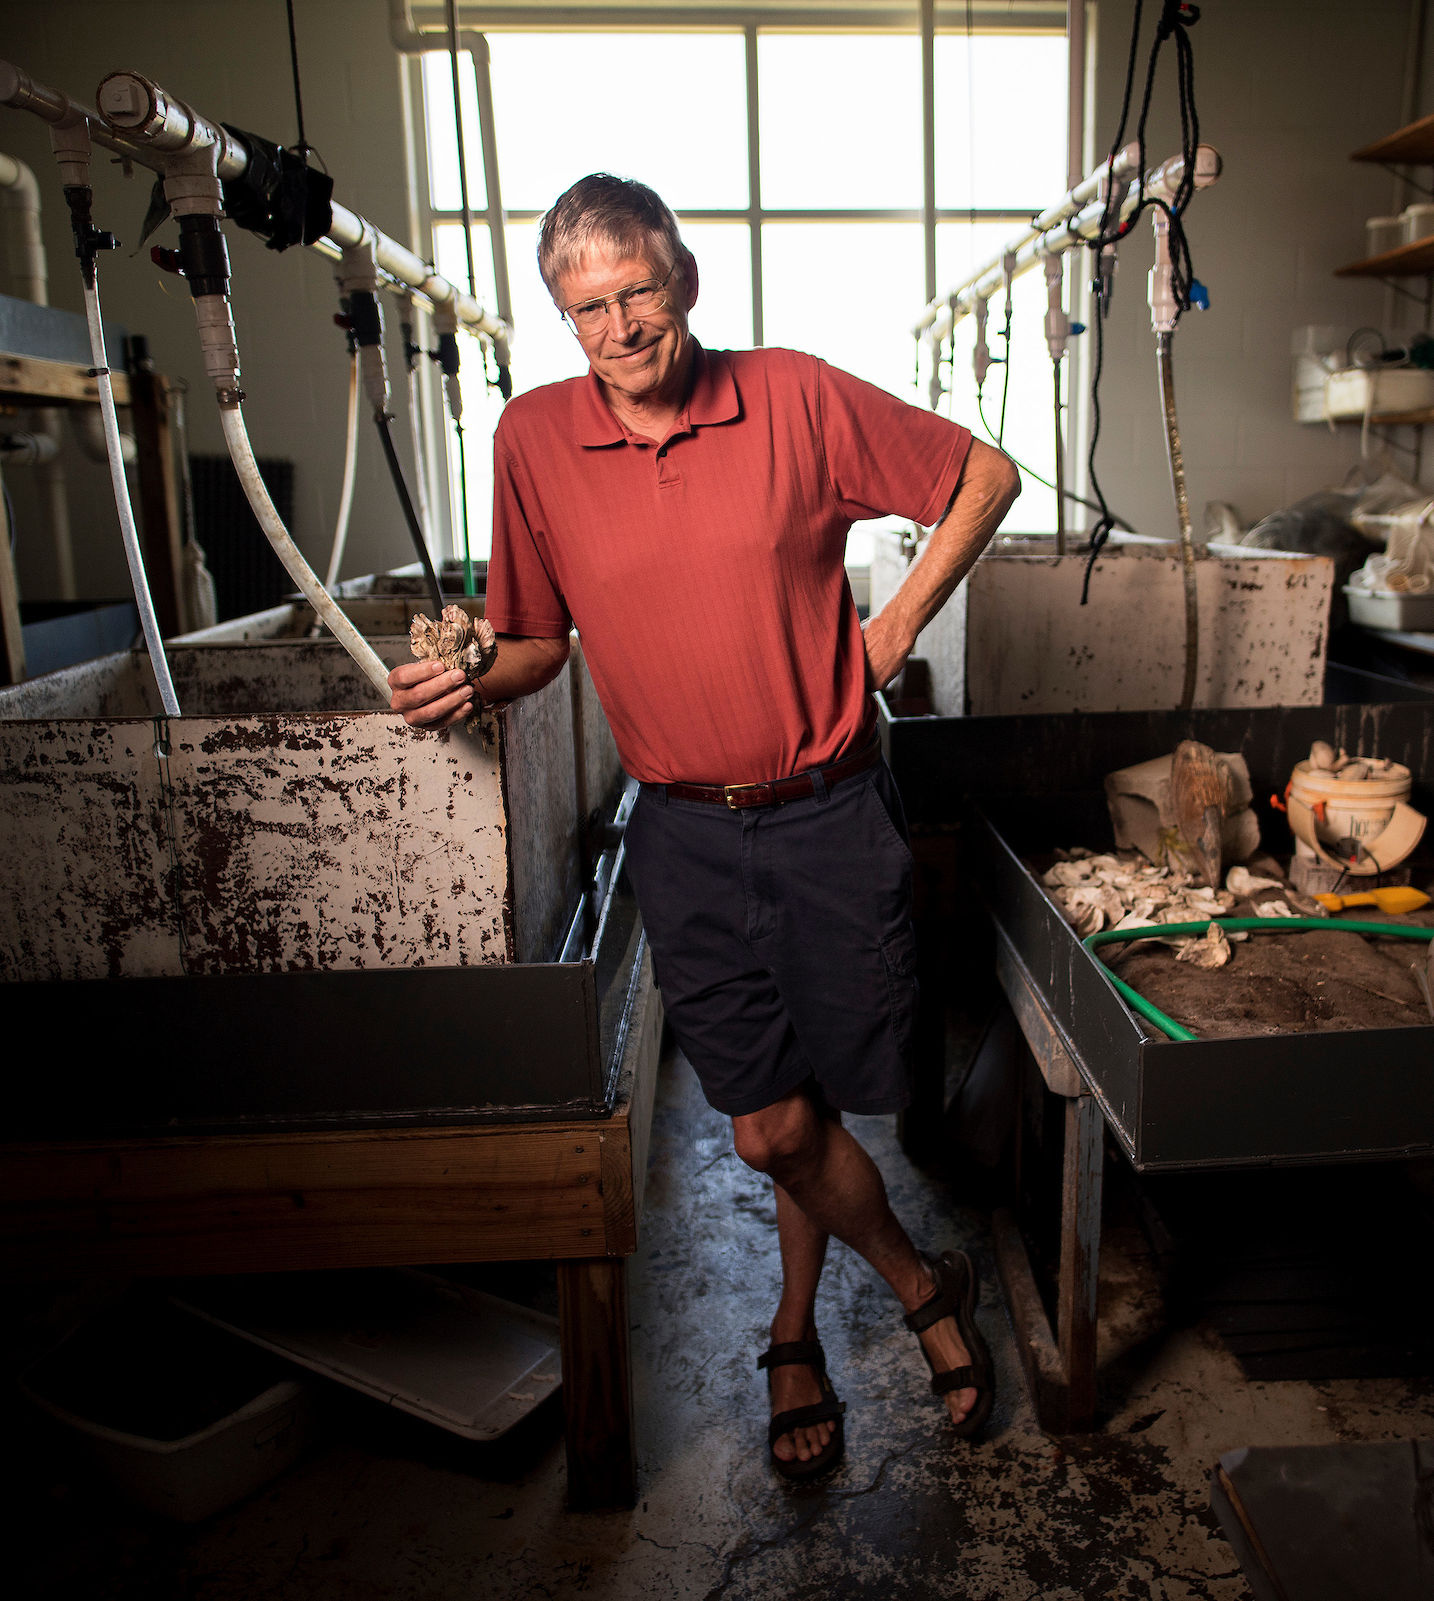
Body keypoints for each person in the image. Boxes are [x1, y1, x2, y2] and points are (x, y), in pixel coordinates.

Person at [390, 173, 1019, 1478]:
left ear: (683, 279)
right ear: (560, 318)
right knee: (767, 1123)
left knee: (830, 1101)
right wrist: (465, 676)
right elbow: (533, 645)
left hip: (832, 812)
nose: (617, 328)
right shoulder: (533, 442)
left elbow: (987, 475)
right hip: (681, 832)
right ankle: (922, 1288)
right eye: (583, 310)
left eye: (635, 293)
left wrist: (894, 625)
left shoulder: (792, 395)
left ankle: (793, 1324)